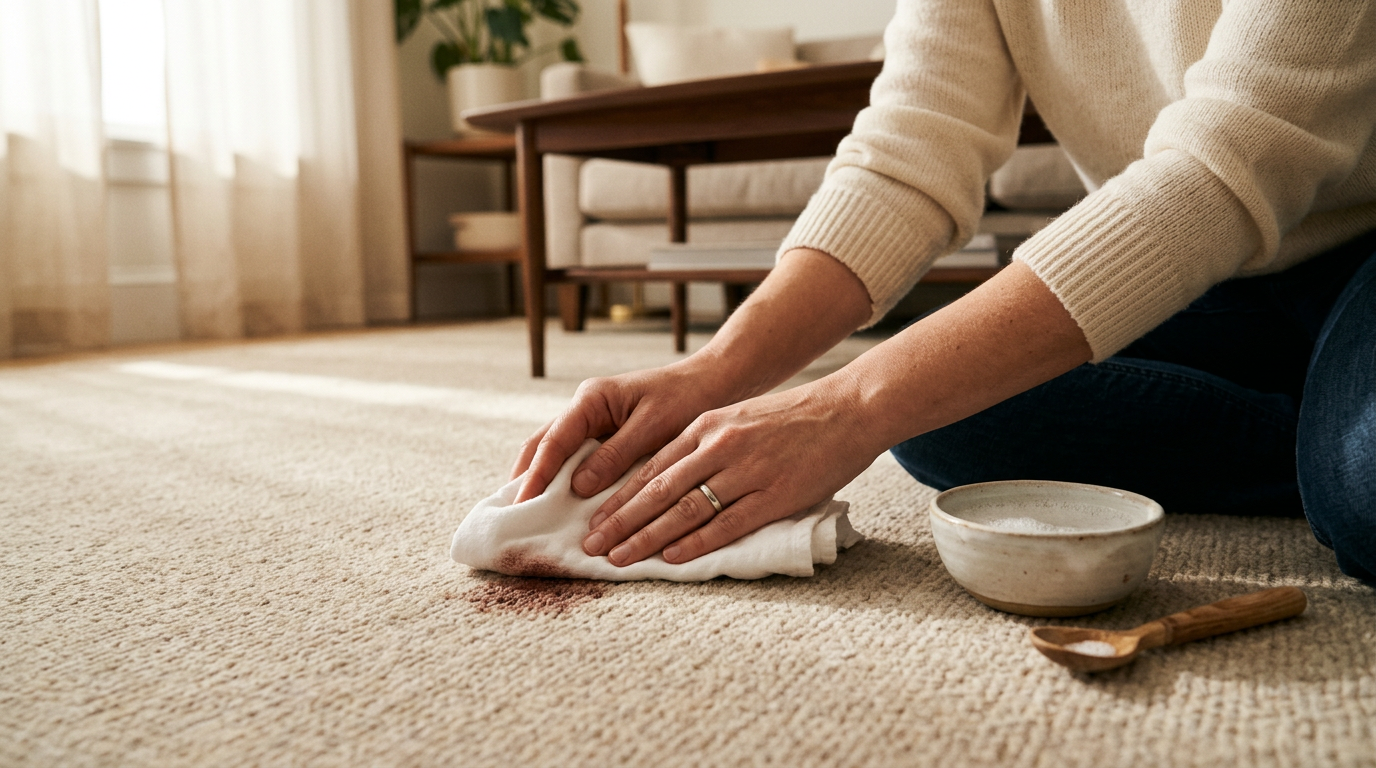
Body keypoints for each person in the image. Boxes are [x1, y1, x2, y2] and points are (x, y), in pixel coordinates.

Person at [510, 0, 1376, 584]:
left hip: (1358, 244)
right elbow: (908, 154)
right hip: (1208, 276)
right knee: (943, 408)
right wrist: (720, 369)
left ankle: (1333, 441)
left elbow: (1235, 159)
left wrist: (845, 405)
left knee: (1365, 491)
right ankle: (1317, 422)